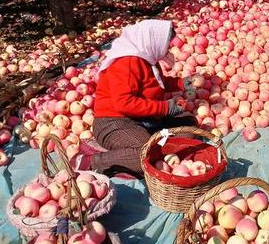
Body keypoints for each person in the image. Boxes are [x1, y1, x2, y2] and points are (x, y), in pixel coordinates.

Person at [72, 19, 195, 177]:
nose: (168, 48)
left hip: (145, 119)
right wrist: (165, 107)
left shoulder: (148, 60)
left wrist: (183, 83)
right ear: (153, 42)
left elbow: (157, 84)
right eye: (166, 45)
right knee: (145, 153)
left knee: (188, 122)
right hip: (115, 122)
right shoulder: (126, 63)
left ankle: (159, 150)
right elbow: (124, 104)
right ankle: (91, 162)